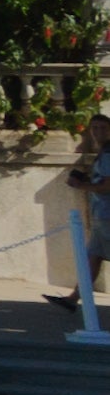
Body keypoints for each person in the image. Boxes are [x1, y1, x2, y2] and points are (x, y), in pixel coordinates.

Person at [51, 108, 110, 309]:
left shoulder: (109, 154)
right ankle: (74, 297)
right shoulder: (103, 154)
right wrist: (86, 180)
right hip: (101, 215)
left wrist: (81, 185)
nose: (98, 132)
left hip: (107, 215)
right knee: (93, 257)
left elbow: (107, 186)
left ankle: (74, 297)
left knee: (94, 256)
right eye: (95, 128)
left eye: (103, 128)